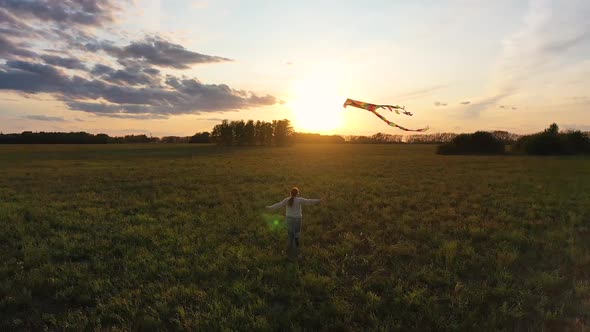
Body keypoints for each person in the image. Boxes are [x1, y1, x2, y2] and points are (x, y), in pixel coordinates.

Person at [266, 187, 321, 258]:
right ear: (298, 193)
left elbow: (278, 205)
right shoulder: (299, 200)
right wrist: (320, 200)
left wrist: (269, 207)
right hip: (298, 220)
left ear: (290, 193)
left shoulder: (287, 200)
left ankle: (289, 253)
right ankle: (296, 253)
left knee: (290, 236)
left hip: (289, 220)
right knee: (296, 236)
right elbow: (309, 201)